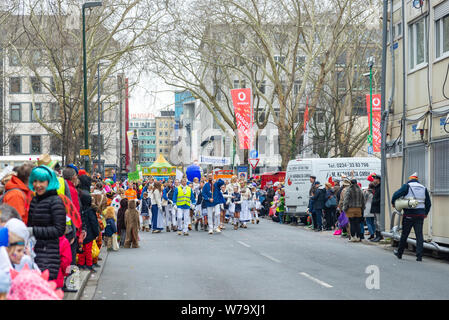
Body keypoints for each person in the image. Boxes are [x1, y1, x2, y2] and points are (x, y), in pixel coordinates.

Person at [27, 165, 66, 281]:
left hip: (48, 254)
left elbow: (59, 230)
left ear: (49, 182)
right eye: (35, 181)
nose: (37, 185)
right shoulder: (35, 200)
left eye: (41, 181)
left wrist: (33, 231)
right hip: (35, 251)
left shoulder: (55, 201)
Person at [392, 172, 431, 261]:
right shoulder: (423, 188)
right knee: (419, 235)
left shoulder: (407, 186)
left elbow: (396, 195)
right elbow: (428, 203)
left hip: (409, 214)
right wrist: (425, 213)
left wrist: (393, 202)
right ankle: (419, 256)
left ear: (410, 179)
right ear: (417, 180)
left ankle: (399, 253)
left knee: (405, 234)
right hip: (420, 215)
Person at [77, 189, 100, 272]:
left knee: (81, 250)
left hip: (81, 233)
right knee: (88, 250)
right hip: (90, 233)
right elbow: (94, 223)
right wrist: (96, 233)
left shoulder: (79, 209)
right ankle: (89, 265)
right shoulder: (90, 211)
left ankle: (81, 264)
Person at [370, 174, 382, 242]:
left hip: (377, 207)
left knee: (378, 222)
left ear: (378, 180)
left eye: (375, 179)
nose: (374, 180)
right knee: (376, 222)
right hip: (375, 207)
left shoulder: (380, 187)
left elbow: (380, 198)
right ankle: (377, 235)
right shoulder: (376, 187)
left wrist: (374, 201)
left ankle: (379, 236)